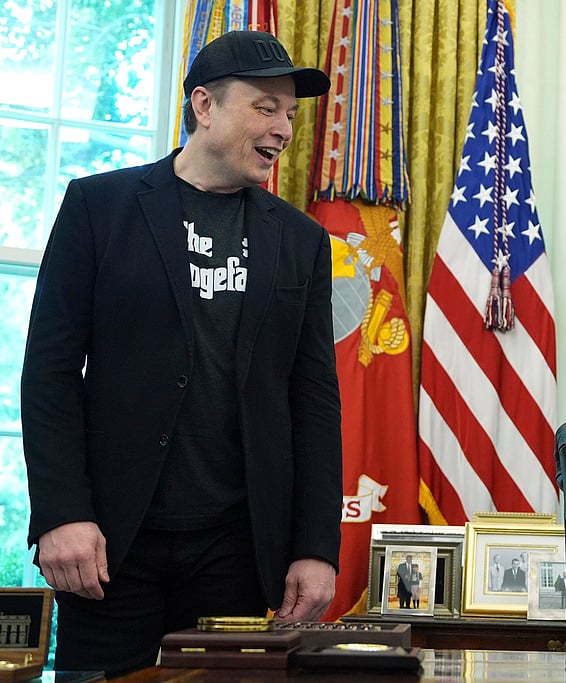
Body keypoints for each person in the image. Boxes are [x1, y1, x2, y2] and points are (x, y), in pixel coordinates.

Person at [20, 30, 343, 675]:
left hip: (242, 550)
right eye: (265, 107)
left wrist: (316, 548)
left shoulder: (301, 241)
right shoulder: (99, 207)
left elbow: (313, 401)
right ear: (203, 105)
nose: (282, 128)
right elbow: (50, 373)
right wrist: (61, 514)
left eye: (290, 113)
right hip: (109, 546)